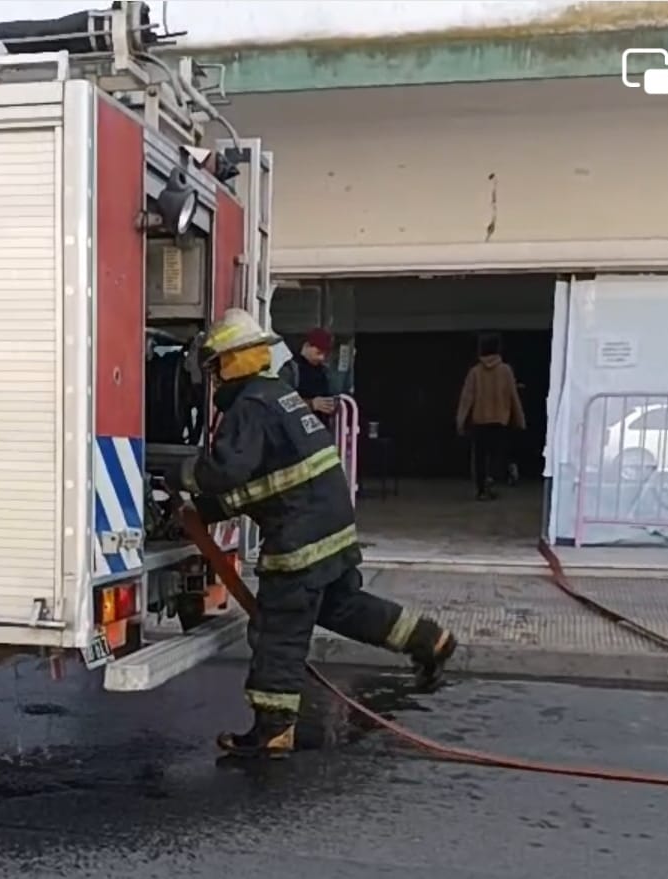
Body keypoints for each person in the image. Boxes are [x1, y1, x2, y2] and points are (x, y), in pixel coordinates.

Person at [168, 308, 458, 759]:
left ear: (230, 362)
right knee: (343, 606)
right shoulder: (279, 394)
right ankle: (430, 640)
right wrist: (206, 512)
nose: (214, 378)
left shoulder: (249, 407)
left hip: (300, 537)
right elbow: (267, 482)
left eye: (215, 366)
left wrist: (182, 474)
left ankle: (273, 728)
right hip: (332, 524)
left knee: (279, 629)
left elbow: (228, 471)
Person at [455, 332, 527, 501]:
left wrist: (460, 421)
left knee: (480, 457)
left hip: (480, 421)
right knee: (497, 455)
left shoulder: (475, 372)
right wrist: (520, 419)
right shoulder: (506, 371)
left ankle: (481, 490)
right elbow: (513, 396)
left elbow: (467, 398)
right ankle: (492, 481)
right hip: (500, 420)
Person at [278, 327, 338, 427]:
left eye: (325, 354)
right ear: (306, 346)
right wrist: (311, 404)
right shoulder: (290, 370)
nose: (321, 358)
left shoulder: (324, 372)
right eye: (318, 353)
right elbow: (280, 403)